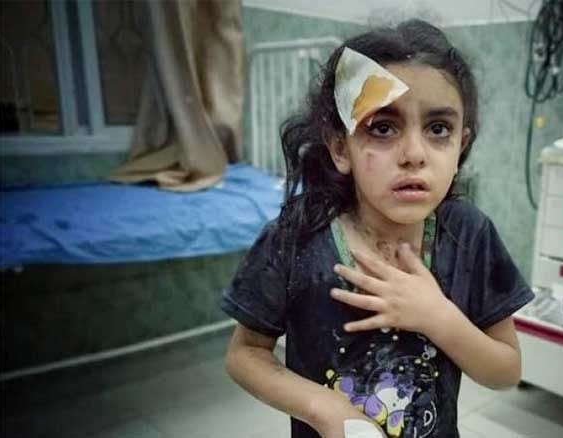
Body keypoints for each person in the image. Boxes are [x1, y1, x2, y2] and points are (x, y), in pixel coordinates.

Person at [221, 19, 534, 438]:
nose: (414, 154)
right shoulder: (296, 238)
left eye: (438, 129)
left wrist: (438, 317)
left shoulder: (469, 235)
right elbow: (244, 354)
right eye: (383, 128)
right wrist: (323, 408)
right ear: (340, 147)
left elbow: (506, 371)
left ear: (460, 145)